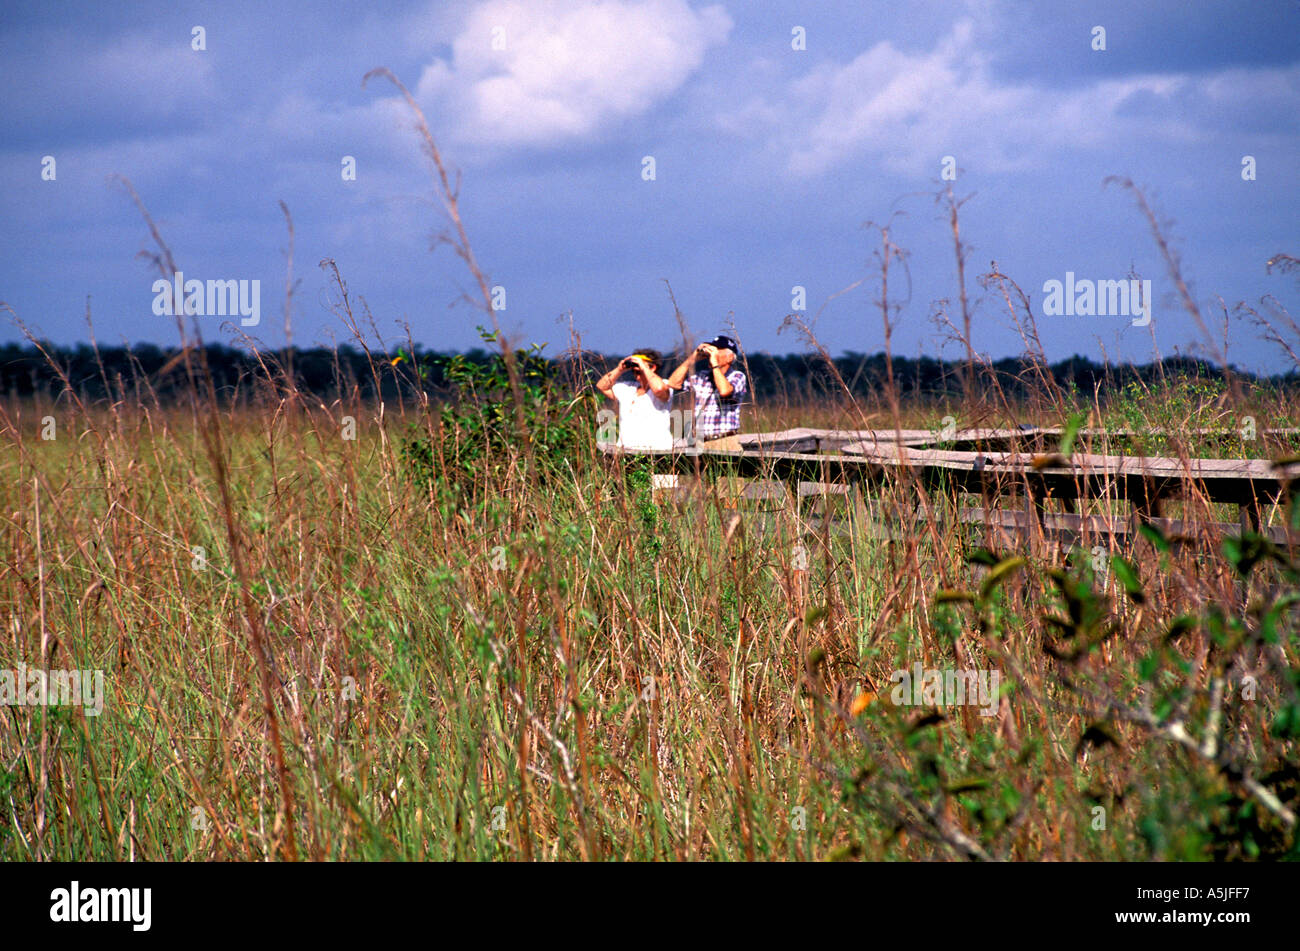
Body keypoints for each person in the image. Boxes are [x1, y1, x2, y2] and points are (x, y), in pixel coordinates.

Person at [667, 334, 747, 449]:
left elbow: (724, 391)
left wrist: (714, 363)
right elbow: (673, 383)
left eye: (717, 351)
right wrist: (693, 358)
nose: (711, 353)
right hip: (699, 442)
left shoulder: (738, 376)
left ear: (729, 358)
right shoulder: (702, 376)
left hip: (725, 441)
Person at [595, 349, 674, 450]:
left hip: (656, 450)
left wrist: (644, 368)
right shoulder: (628, 388)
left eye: (638, 370)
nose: (636, 374)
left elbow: (659, 390)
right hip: (627, 450)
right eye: (633, 370)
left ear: (653, 367)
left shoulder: (665, 384)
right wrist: (619, 369)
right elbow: (602, 386)